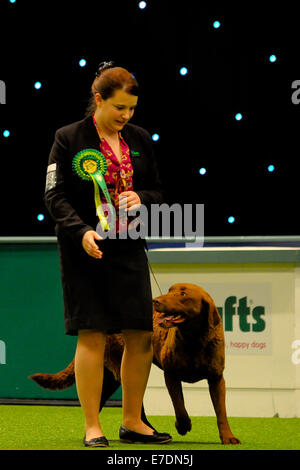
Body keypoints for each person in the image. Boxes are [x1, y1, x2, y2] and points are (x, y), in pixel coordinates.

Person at [44, 62, 172, 447]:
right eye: (119, 108)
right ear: (98, 100)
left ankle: (133, 421)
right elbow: (54, 195)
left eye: (132, 109)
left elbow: (157, 190)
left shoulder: (140, 138)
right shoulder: (67, 138)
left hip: (129, 245)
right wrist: (80, 231)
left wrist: (143, 198)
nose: (127, 116)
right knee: (92, 334)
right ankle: (92, 427)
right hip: (86, 249)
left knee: (142, 335)